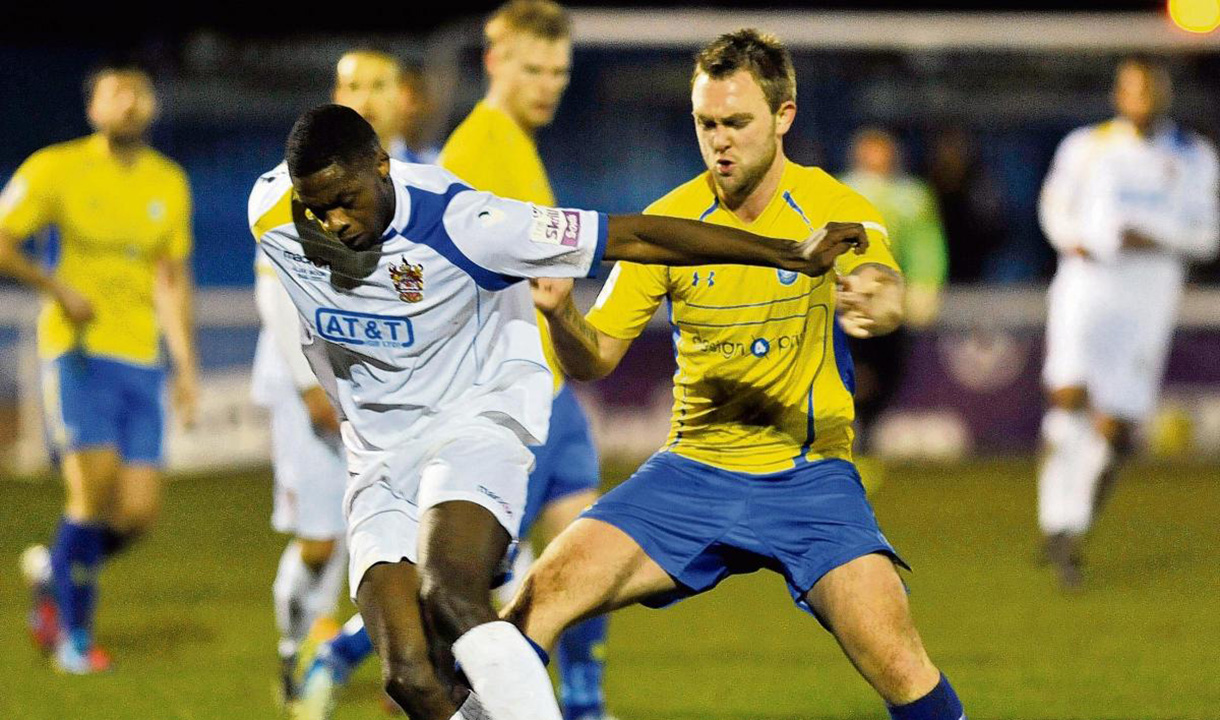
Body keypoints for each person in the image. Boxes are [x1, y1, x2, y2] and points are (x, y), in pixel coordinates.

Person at [249, 103, 866, 720]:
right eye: (316, 206)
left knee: (450, 593)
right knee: (409, 677)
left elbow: (636, 235)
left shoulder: (467, 222)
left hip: (474, 424)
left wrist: (787, 253)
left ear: (382, 167)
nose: (332, 221)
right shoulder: (271, 212)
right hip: (378, 456)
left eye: (345, 199)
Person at [505, 30, 968, 720]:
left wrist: (879, 296)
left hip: (809, 478)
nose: (719, 142)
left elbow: (876, 270)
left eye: (737, 123)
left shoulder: (830, 204)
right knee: (531, 608)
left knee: (903, 666)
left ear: (784, 118)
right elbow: (595, 358)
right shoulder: (670, 221)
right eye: (706, 124)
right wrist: (562, 316)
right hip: (691, 472)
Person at [298, 4, 613, 719]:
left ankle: (586, 703)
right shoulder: (474, 152)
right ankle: (352, 655)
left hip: (549, 393)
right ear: (495, 64)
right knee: (456, 600)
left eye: (559, 72)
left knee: (583, 560)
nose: (549, 85)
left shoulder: (521, 145)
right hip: (493, 406)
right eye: (533, 69)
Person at [2, 62, 198, 674]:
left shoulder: (170, 182)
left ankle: (53, 572)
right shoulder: (53, 168)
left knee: (137, 513)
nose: (130, 103)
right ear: (94, 110)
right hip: (77, 352)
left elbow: (172, 280)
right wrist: (55, 288)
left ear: (153, 107)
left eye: (140, 92)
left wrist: (186, 363)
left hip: (142, 360)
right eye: (116, 94)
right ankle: (75, 642)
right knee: (92, 493)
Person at [1036, 57, 1218, 589]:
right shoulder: (1085, 145)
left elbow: (1206, 236)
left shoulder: (1194, 156)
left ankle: (1076, 522)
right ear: (1118, 94)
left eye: (1148, 88)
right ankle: (1057, 522)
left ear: (1163, 94)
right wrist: (1079, 237)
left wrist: (1156, 235)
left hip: (1149, 293)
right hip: (1087, 282)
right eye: (1129, 88)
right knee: (1067, 395)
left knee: (1115, 422)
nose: (1137, 97)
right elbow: (1054, 209)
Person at [252, 250, 348, 705]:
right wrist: (308, 384)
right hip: (301, 382)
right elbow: (273, 291)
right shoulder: (288, 190)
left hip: (363, 369)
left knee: (367, 523)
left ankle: (332, 651)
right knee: (319, 541)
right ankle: (293, 650)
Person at [843, 128, 948, 455]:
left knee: (889, 371)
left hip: (892, 301)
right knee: (854, 368)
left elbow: (926, 245)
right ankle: (851, 434)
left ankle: (866, 431)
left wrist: (925, 286)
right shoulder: (839, 190)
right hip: (849, 299)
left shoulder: (911, 196)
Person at [334, 49, 421, 163]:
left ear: (403, 95)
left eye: (378, 87)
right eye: (353, 87)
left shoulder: (431, 173)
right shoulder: (309, 173)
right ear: (337, 96)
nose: (364, 100)